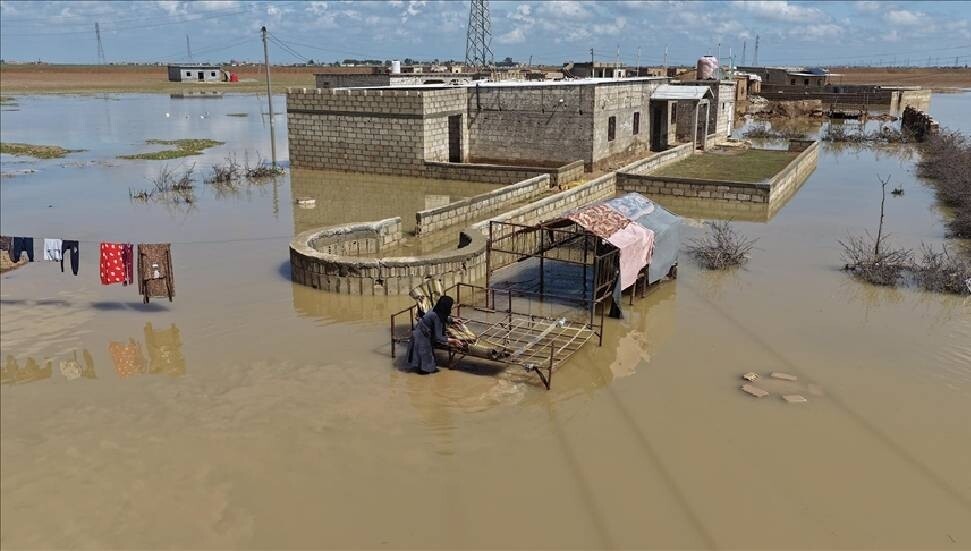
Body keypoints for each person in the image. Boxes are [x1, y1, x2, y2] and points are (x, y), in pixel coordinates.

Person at [407, 295, 461, 374]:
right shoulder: (436, 317)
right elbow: (438, 337)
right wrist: (453, 340)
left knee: (427, 363)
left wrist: (452, 320)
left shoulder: (436, 308)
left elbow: (443, 316)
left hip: (422, 332)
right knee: (427, 367)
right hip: (421, 336)